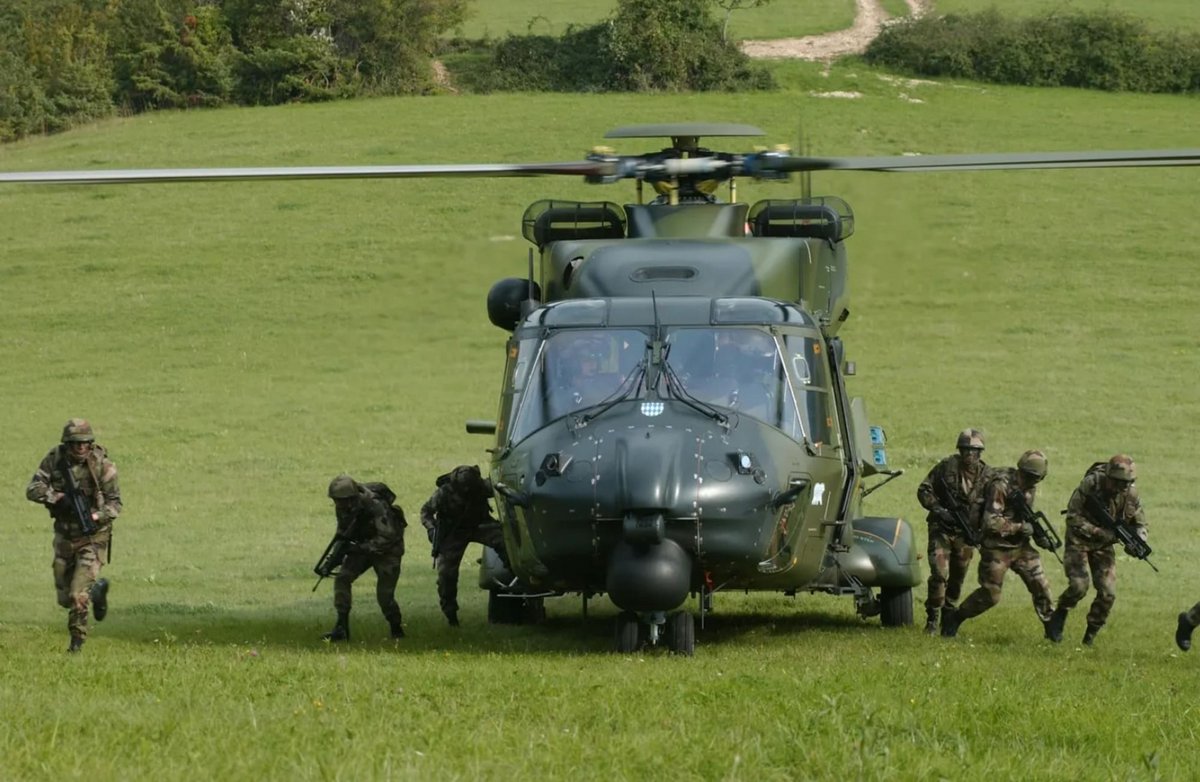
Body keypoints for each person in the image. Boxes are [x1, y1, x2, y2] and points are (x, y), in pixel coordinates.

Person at [26, 418, 122, 653]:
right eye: (75, 443)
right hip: (65, 537)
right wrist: (58, 498)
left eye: (85, 443)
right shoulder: (55, 460)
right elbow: (32, 489)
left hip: (93, 537)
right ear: (67, 444)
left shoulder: (103, 467)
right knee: (65, 598)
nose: (80, 448)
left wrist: (96, 517)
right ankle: (97, 591)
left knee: (78, 594)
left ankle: (76, 644)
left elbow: (115, 505)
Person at [942, 450, 1055, 639]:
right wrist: (1020, 527)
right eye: (1029, 476)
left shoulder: (1029, 487)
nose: (1032, 481)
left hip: (1021, 547)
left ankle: (1051, 628)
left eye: (1036, 478)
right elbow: (990, 522)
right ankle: (956, 617)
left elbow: (1025, 514)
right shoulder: (1001, 486)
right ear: (1021, 470)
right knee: (990, 595)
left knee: (1040, 584)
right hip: (996, 547)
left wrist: (1039, 536)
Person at [1045, 454, 1147, 646]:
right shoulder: (1091, 484)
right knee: (1079, 586)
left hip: (1103, 546)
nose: (1123, 487)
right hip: (1079, 541)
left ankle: (1090, 635)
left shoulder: (1131, 495)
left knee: (1108, 592)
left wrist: (1139, 540)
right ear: (1110, 478)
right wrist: (1101, 532)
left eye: (1128, 483)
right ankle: (1061, 612)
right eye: (1119, 483)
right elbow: (1073, 517)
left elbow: (1140, 522)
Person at [915, 428, 989, 635]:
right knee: (940, 573)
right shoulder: (946, 468)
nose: (970, 455)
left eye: (974, 451)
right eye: (966, 450)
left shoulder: (987, 476)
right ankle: (933, 616)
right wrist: (939, 510)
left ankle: (949, 616)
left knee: (958, 577)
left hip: (966, 535)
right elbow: (924, 490)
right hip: (942, 530)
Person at [321, 475, 407, 642]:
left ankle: (396, 628)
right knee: (342, 579)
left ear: (351, 498)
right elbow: (343, 532)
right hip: (362, 548)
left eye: (341, 500)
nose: (338, 504)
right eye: (336, 500)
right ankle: (341, 627)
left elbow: (388, 536)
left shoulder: (375, 505)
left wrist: (360, 548)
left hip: (387, 551)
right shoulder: (344, 507)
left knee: (385, 596)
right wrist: (335, 557)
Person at [420, 465, 508, 627]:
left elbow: (503, 491)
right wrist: (432, 529)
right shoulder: (444, 493)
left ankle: (513, 574)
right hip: (454, 532)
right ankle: (450, 614)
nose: (467, 491)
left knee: (507, 543)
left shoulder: (481, 486)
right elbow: (425, 511)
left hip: (480, 525)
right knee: (446, 574)